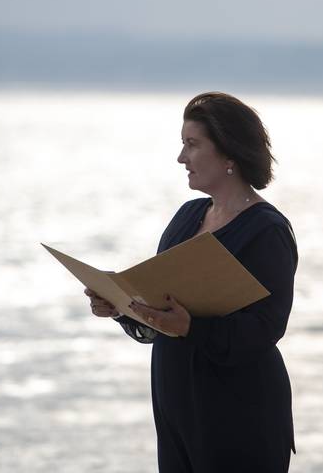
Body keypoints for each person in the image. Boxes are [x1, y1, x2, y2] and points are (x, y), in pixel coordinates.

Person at [84, 91, 297, 472]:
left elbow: (265, 330)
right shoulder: (188, 216)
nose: (181, 158)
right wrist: (119, 307)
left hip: (238, 415)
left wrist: (192, 327)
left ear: (229, 152)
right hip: (176, 410)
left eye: (192, 145)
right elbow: (158, 313)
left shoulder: (267, 231)